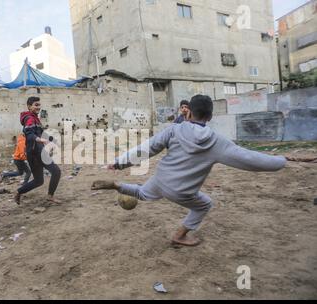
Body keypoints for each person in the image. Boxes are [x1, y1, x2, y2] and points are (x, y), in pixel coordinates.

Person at [92, 95, 287, 247]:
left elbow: (146, 148)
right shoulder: (218, 142)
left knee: (143, 193)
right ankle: (179, 236)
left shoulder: (173, 130)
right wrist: (280, 161)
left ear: (189, 112)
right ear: (210, 117)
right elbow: (250, 159)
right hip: (181, 191)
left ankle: (118, 185)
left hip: (160, 180)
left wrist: (118, 163)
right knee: (204, 205)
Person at [14, 97, 61, 205]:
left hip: (33, 152)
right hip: (36, 152)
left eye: (39, 105)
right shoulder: (29, 119)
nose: (38, 107)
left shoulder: (34, 118)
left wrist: (53, 140)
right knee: (56, 171)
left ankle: (19, 191)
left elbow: (41, 133)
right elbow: (30, 135)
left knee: (39, 181)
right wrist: (40, 140)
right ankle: (50, 196)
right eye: (36, 105)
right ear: (29, 106)